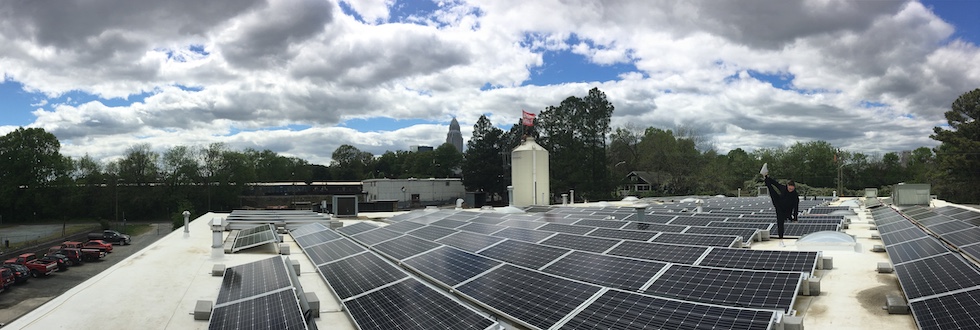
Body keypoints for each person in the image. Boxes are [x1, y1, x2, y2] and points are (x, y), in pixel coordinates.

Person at [761, 163, 799, 244]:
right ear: (787, 186)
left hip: (787, 209)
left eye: (792, 189)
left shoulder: (795, 196)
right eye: (789, 188)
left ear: (794, 188)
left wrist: (795, 218)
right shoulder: (783, 188)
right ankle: (765, 176)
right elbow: (775, 183)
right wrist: (768, 178)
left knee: (788, 217)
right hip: (779, 205)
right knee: (771, 190)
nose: (790, 190)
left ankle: (766, 177)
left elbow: (796, 207)